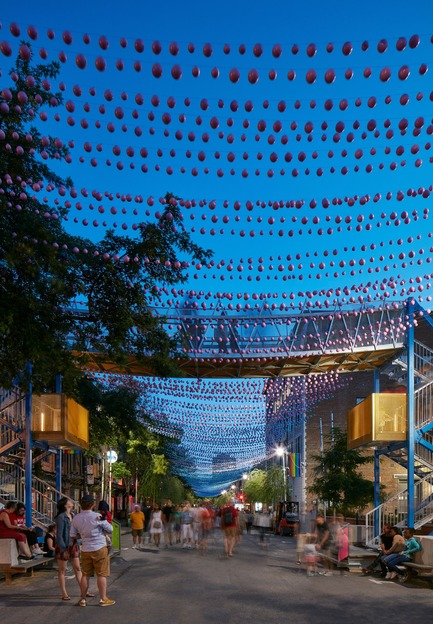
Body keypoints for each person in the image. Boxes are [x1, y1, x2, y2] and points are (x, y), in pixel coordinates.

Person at [70, 493, 115, 607]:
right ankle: (103, 599)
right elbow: (110, 529)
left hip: (85, 549)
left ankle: (83, 600)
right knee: (101, 574)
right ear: (92, 505)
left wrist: (84, 535)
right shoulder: (97, 516)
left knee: (85, 575)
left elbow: (73, 535)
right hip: (99, 547)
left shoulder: (76, 518)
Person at [55, 497, 82, 601]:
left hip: (73, 543)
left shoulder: (73, 515)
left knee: (78, 568)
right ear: (66, 505)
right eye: (70, 502)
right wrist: (63, 549)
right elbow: (59, 535)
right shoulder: (61, 517)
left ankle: (83, 590)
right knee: (62, 570)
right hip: (64, 544)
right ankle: (64, 593)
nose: (72, 502)